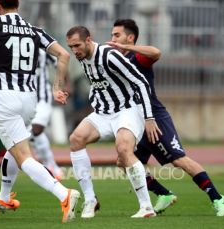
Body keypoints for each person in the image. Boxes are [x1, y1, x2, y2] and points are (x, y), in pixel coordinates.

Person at [105, 19, 224, 216]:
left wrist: (126, 47)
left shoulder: (139, 57)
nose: (113, 39)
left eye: (116, 35)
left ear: (130, 38)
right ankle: (164, 194)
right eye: (112, 35)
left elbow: (156, 53)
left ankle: (217, 197)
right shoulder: (116, 60)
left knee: (179, 161)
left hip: (154, 119)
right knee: (123, 161)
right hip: (134, 121)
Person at [0, 0, 80, 223]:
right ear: (19, 4)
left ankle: (64, 194)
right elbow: (64, 55)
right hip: (30, 99)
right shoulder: (34, 30)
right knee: (16, 145)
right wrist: (56, 87)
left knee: (23, 156)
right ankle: (4, 198)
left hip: (4, 96)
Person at [61, 25, 160, 218]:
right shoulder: (83, 57)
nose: (74, 51)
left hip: (128, 110)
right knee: (76, 139)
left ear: (88, 40)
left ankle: (146, 207)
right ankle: (90, 199)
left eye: (77, 45)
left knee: (123, 149)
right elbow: (100, 83)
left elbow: (141, 82)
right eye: (71, 47)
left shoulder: (109, 55)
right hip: (104, 113)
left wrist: (149, 117)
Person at [30, 48, 72, 181]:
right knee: (29, 135)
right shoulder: (12, 51)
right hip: (23, 99)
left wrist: (67, 84)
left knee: (36, 129)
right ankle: (46, 167)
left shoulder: (42, 51)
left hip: (42, 98)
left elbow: (61, 62)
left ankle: (51, 165)